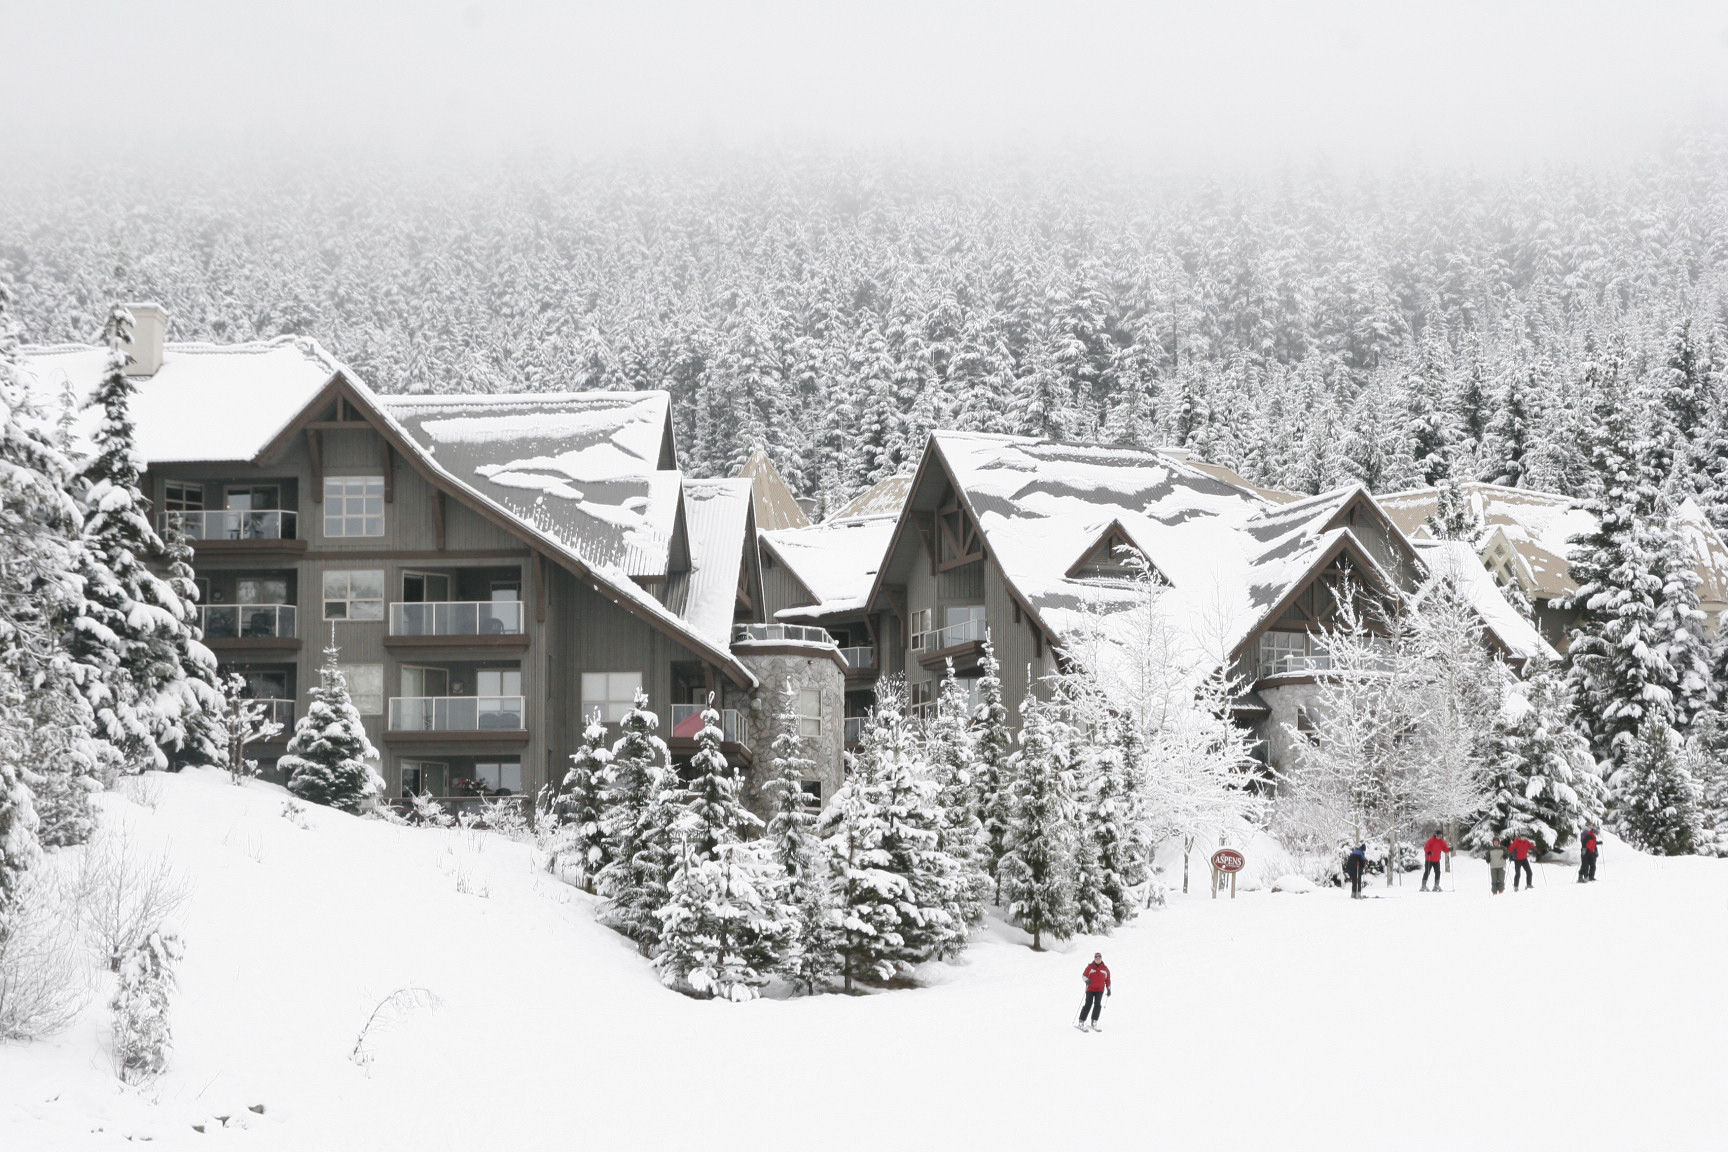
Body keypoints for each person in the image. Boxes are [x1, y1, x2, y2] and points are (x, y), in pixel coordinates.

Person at [1076, 953, 1111, 1032]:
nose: (1098, 959)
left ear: (1101, 959)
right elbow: (1084, 976)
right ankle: (1081, 1022)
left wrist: (1108, 989)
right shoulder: (1090, 967)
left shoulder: (1105, 969)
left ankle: (1094, 1021)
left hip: (1100, 990)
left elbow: (1108, 980)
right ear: (1094, 959)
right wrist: (1087, 980)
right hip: (1090, 989)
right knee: (1088, 1004)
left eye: (1099, 958)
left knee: (1098, 1005)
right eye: (1096, 958)